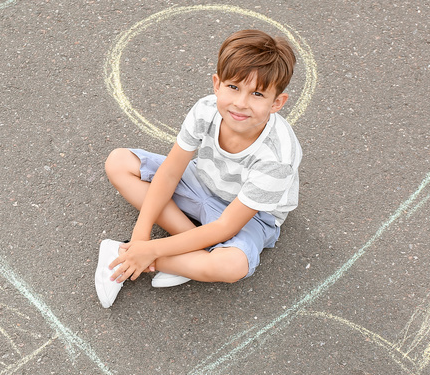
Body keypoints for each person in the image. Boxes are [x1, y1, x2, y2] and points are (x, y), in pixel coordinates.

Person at [95, 29, 302, 308]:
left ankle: (124, 256)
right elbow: (170, 172)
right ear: (217, 84)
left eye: (257, 94)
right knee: (119, 162)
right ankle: (184, 257)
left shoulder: (277, 157)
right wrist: (140, 237)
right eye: (233, 87)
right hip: (200, 181)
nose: (241, 103)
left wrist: (149, 250)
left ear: (277, 102)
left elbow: (228, 225)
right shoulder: (205, 110)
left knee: (231, 266)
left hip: (250, 215)